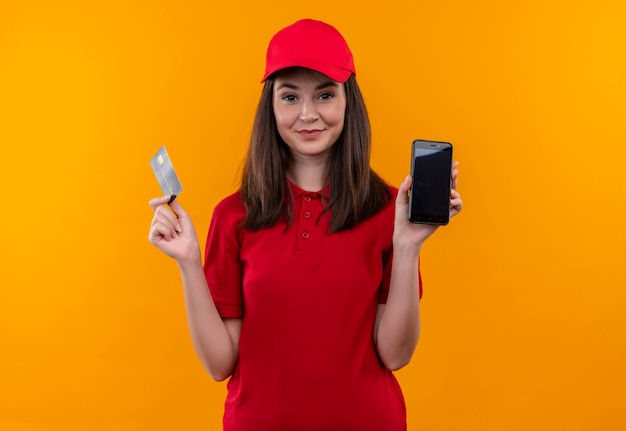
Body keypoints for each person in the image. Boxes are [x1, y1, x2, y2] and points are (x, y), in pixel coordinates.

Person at [148, 18, 462, 431]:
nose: (308, 114)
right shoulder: (233, 216)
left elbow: (395, 355)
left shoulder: (389, 209)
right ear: (271, 106)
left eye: (325, 95)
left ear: (348, 102)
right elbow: (219, 364)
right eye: (290, 96)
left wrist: (408, 246)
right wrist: (188, 262)